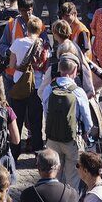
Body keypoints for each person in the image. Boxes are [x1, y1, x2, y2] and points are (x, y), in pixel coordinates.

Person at [39, 56, 95, 191]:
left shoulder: (49, 89)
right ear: (74, 70)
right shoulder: (78, 91)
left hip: (52, 138)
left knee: (53, 175)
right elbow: (88, 121)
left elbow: (45, 112)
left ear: (59, 70)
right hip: (72, 140)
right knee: (73, 178)